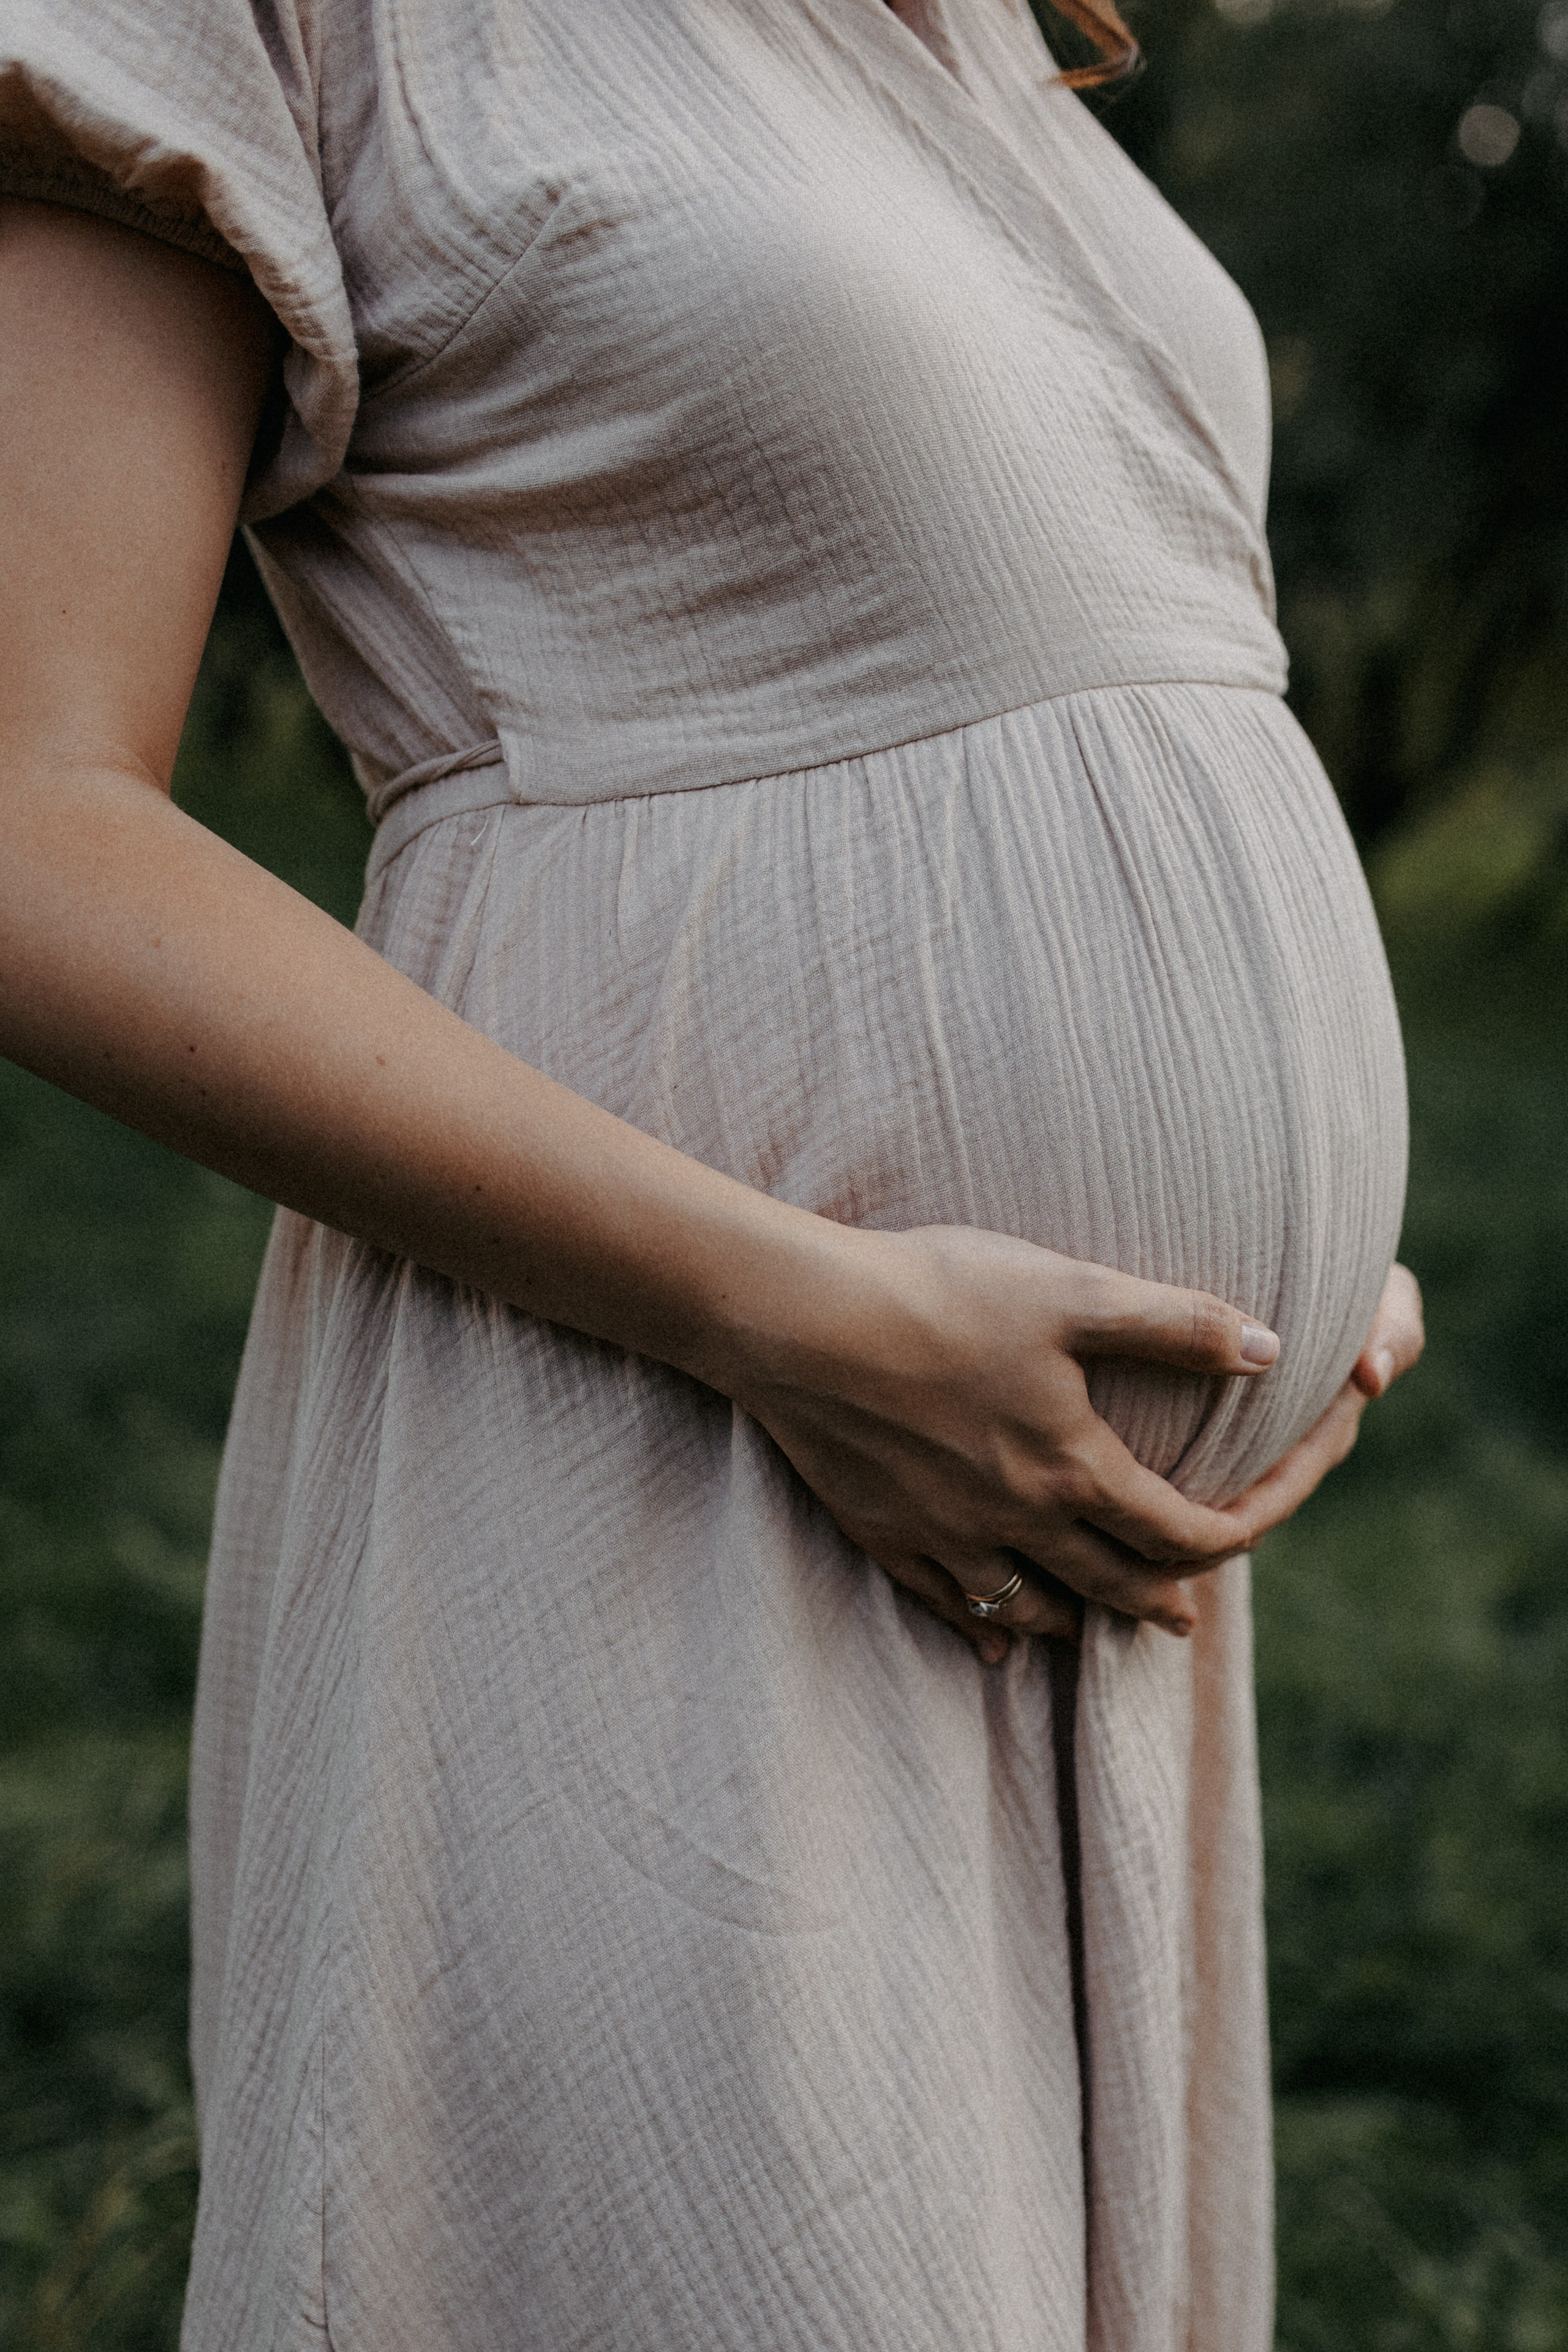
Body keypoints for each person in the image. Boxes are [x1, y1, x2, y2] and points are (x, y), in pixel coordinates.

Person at [0, 0, 1423, 2344]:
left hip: (1088, 1580)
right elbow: (34, 815)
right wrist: (786, 1306)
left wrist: (1317, 1211)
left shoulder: (984, 29)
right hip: (677, 1410)